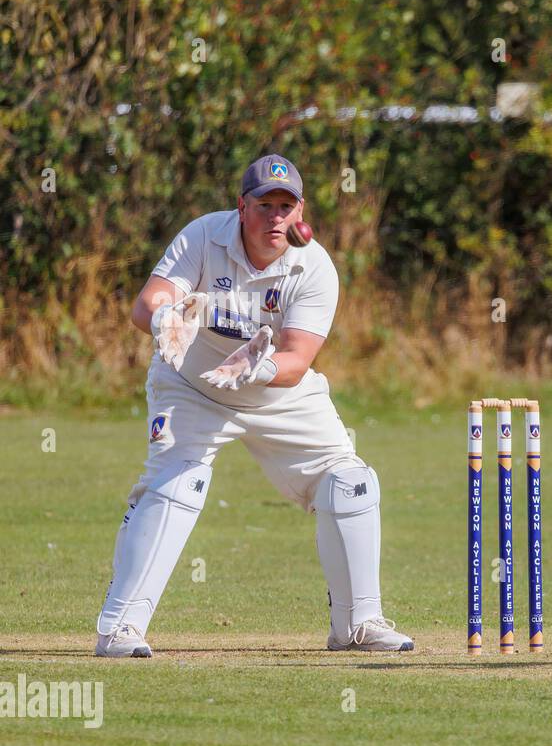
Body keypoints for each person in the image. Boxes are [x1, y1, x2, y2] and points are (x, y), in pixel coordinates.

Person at [95, 154, 413, 657]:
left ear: (300, 211)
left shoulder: (314, 267)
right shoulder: (203, 236)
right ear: (242, 207)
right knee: (176, 486)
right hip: (192, 386)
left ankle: (357, 624)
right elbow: (147, 302)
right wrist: (166, 320)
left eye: (286, 206)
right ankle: (119, 629)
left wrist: (256, 367)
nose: (275, 218)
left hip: (278, 395)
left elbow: (297, 360)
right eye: (265, 205)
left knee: (350, 483)